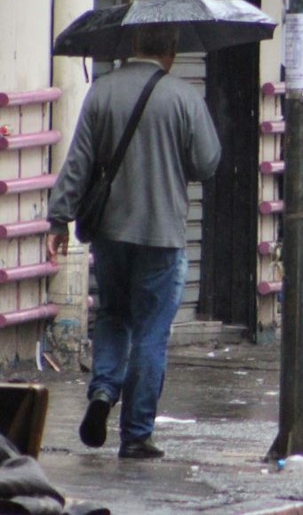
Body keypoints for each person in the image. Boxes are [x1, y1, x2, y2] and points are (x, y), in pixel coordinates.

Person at [46, 24, 221, 460]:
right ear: (173, 50)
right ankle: (137, 433)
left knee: (112, 315)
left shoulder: (102, 92)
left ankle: (104, 391)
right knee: (150, 333)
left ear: (134, 45)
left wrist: (58, 219)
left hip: (110, 232)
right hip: (162, 236)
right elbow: (207, 162)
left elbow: (79, 162)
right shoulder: (183, 96)